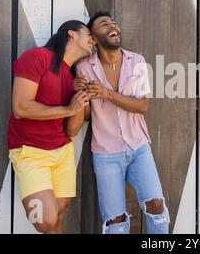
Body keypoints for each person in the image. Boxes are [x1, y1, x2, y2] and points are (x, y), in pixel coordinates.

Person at [67, 12, 170, 234]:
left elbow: (143, 105)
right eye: (104, 24)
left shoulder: (137, 61)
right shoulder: (84, 68)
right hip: (105, 154)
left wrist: (107, 93)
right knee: (116, 221)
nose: (113, 26)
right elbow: (85, 115)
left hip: (138, 147)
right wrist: (79, 93)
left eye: (113, 23)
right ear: (93, 39)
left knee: (156, 206)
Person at [7, 20, 96, 234]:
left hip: (62, 151)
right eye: (89, 35)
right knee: (45, 220)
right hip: (31, 152)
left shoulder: (72, 75)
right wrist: (68, 108)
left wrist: (80, 100)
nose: (93, 40)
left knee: (60, 215)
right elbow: (20, 107)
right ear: (71, 34)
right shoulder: (38, 57)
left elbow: (72, 131)